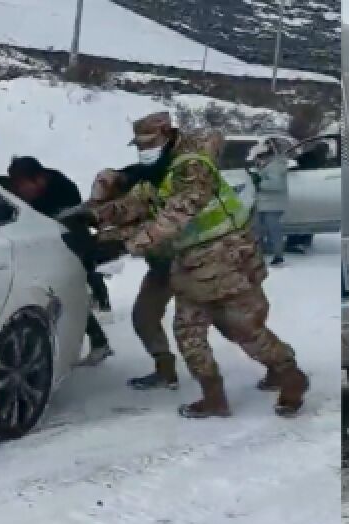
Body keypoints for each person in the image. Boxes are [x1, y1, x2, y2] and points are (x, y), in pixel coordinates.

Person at [76, 111, 309, 418]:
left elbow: (174, 216)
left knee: (243, 328)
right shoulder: (161, 172)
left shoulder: (192, 167)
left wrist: (125, 244)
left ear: (168, 135)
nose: (143, 150)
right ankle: (214, 396)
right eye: (140, 145)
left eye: (149, 142)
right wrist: (97, 216)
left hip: (226, 259)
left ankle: (291, 376)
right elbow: (140, 203)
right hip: (191, 266)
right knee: (188, 330)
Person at [85, 133, 181, 391]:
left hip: (192, 265)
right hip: (162, 269)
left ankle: (282, 368)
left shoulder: (150, 185)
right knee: (144, 317)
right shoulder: (127, 185)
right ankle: (165, 371)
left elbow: (145, 228)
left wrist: (114, 241)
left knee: (218, 324)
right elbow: (109, 215)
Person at [7, 156, 115, 367]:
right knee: (64, 298)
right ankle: (98, 339)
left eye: (23, 185)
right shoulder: (26, 191)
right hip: (49, 250)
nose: (20, 190)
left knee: (70, 295)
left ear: (38, 179)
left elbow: (77, 223)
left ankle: (99, 328)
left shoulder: (62, 188)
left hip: (73, 246)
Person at [250, 144, 289, 266]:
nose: (255, 161)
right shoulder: (265, 166)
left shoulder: (275, 167)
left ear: (262, 156)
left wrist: (259, 183)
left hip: (273, 205)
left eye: (256, 157)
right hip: (263, 203)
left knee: (273, 231)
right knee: (256, 229)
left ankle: (278, 255)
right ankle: (259, 254)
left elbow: (277, 185)